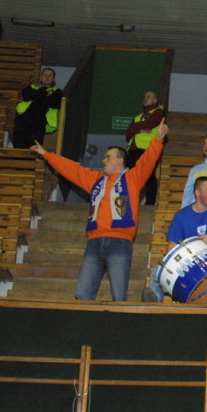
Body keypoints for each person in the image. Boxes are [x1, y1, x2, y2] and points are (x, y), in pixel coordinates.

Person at [30, 119, 168, 301]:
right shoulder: (95, 180)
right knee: (82, 294)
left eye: (107, 157)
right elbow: (71, 170)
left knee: (119, 296)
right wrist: (47, 154)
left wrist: (157, 140)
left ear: (119, 160)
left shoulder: (132, 178)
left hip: (120, 241)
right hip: (94, 242)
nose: (103, 160)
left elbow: (147, 161)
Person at [141, 176, 207, 304]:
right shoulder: (181, 216)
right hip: (189, 262)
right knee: (156, 271)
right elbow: (171, 247)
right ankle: (154, 304)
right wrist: (174, 266)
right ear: (197, 192)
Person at [124, 91, 164, 205]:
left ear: (155, 100)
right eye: (144, 96)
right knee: (132, 177)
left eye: (148, 97)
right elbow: (128, 133)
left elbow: (149, 124)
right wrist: (140, 129)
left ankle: (150, 203)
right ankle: (130, 202)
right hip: (133, 149)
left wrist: (135, 128)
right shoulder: (138, 117)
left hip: (148, 149)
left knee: (149, 177)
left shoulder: (158, 112)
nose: (145, 98)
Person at [12, 67, 63, 149]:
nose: (47, 77)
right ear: (41, 77)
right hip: (23, 119)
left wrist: (36, 95)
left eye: (50, 75)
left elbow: (54, 103)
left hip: (40, 122)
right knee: (19, 145)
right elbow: (26, 96)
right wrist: (45, 93)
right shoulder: (30, 88)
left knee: (34, 148)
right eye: (45, 75)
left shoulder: (57, 91)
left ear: (54, 79)